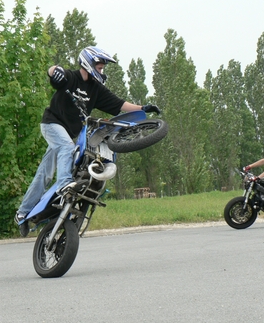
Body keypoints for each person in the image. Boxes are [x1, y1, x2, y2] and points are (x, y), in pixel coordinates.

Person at [15, 46, 161, 237]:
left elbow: (119, 104)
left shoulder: (96, 89)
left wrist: (143, 107)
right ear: (89, 63)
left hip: (69, 134)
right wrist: (54, 71)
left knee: (45, 173)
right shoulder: (71, 78)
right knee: (67, 148)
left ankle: (22, 213)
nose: (101, 71)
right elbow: (54, 71)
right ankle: (65, 184)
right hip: (52, 125)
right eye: (99, 68)